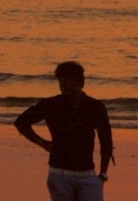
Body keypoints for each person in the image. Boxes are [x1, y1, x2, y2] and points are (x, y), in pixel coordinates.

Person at [15, 61, 116, 201]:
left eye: (68, 80)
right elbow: (21, 122)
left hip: (88, 174)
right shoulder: (51, 104)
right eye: (61, 81)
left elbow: (106, 141)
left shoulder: (95, 107)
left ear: (81, 83)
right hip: (59, 173)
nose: (63, 85)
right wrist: (43, 143)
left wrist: (103, 174)